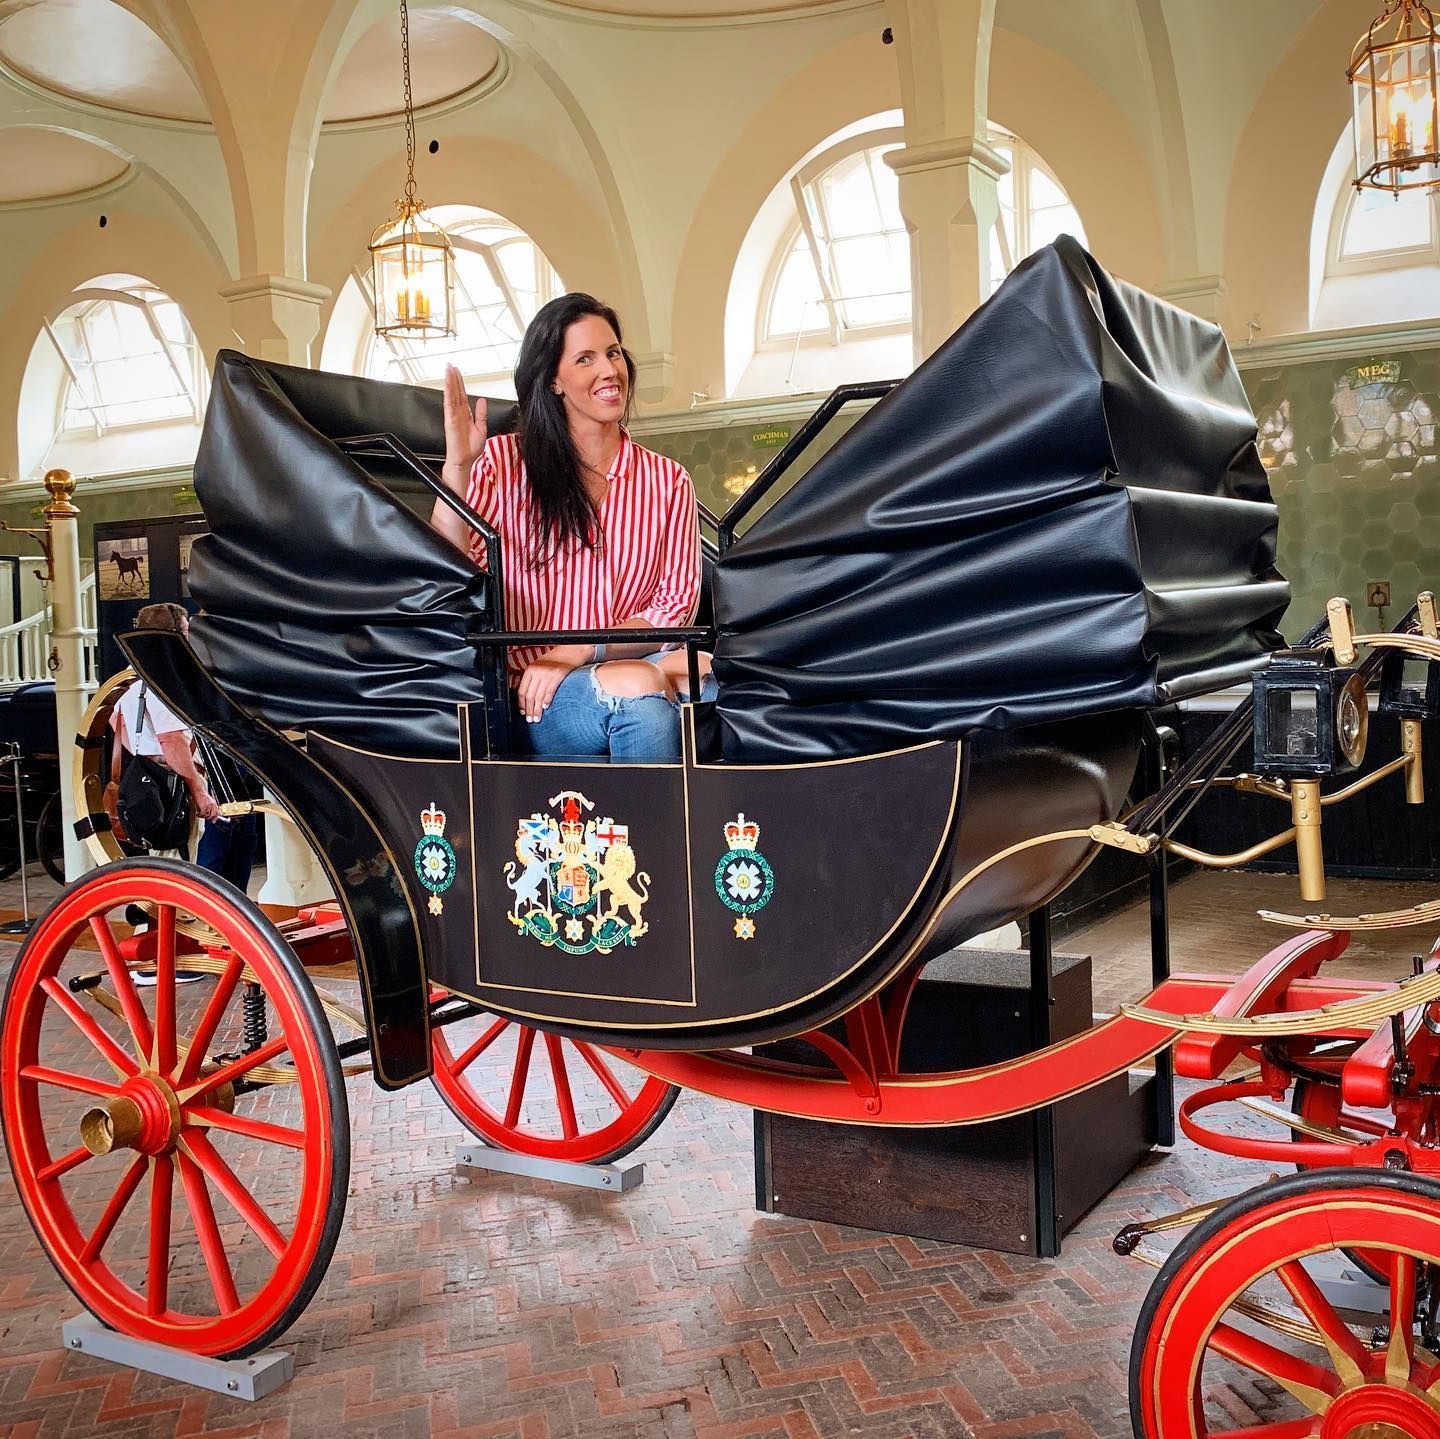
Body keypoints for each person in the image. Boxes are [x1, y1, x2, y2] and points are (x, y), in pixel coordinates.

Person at [430, 292, 714, 761]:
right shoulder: (503, 464)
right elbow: (447, 574)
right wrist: (458, 467)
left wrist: (577, 650)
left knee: (710, 673)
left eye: (613, 353)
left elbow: (674, 609)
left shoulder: (668, 480)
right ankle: (656, 835)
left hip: (624, 660)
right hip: (535, 688)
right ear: (554, 380)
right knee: (642, 687)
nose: (609, 370)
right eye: (585, 359)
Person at [111, 602, 222, 984]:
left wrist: (143, 755)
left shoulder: (135, 686)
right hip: (171, 786)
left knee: (156, 862)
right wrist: (198, 787)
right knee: (178, 865)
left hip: (144, 782)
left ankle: (153, 948)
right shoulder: (165, 687)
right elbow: (174, 741)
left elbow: (117, 724)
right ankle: (165, 959)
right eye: (187, 627)